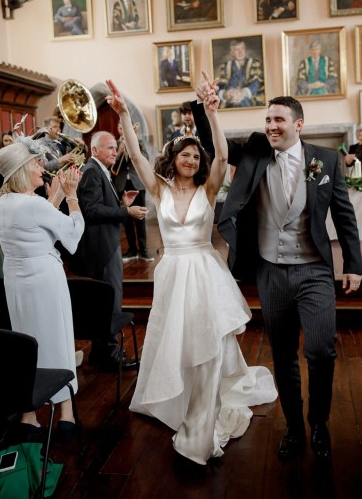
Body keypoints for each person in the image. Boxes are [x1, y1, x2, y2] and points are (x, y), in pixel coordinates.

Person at [106, 77, 278, 465]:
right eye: (185, 156)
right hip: (171, 274)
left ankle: (200, 425)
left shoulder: (209, 189)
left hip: (203, 271)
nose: (192, 161)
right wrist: (124, 116)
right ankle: (175, 399)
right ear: (173, 159)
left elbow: (221, 155)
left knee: (208, 346)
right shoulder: (160, 189)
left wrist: (213, 114)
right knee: (175, 340)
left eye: (195, 157)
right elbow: (134, 157)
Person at [192, 85, 362, 462]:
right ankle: (294, 427)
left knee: (320, 351)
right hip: (271, 271)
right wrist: (207, 109)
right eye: (267, 119)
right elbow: (214, 143)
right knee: (283, 354)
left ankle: (318, 422)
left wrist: (353, 264)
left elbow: (344, 214)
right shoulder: (254, 150)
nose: (271, 125)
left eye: (278, 119)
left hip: (314, 270)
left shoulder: (325, 160)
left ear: (298, 125)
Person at [0, 136, 84, 440]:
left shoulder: (2, 203)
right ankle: (67, 415)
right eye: (35, 163)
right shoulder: (32, 205)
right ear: (21, 170)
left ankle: (28, 416)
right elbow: (71, 235)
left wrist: (54, 197)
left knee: (28, 343)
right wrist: (70, 196)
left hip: (17, 279)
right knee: (57, 339)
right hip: (45, 278)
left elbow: (36, 225)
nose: (41, 167)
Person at [70, 130, 148, 371]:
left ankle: (101, 351)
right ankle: (110, 355)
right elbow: (91, 210)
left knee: (107, 300)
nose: (115, 151)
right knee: (111, 301)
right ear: (95, 150)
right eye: (110, 147)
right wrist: (126, 212)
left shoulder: (97, 169)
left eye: (115, 147)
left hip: (107, 244)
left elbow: (100, 206)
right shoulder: (92, 171)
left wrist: (121, 203)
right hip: (102, 248)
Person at [112, 120, 154, 263]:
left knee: (140, 218)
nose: (122, 129)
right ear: (118, 129)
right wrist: (119, 151)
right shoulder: (115, 144)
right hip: (122, 184)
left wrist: (132, 148)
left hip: (137, 184)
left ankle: (143, 250)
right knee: (127, 219)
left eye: (124, 127)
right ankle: (131, 250)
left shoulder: (138, 142)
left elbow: (146, 159)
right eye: (120, 126)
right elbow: (112, 164)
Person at [216, 38, 264, 108]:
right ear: (231, 53)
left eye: (242, 49)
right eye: (236, 50)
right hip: (231, 98)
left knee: (243, 102)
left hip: (249, 97)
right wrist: (227, 93)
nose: (240, 52)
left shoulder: (254, 63)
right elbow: (221, 84)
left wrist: (242, 93)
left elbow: (256, 83)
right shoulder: (226, 66)